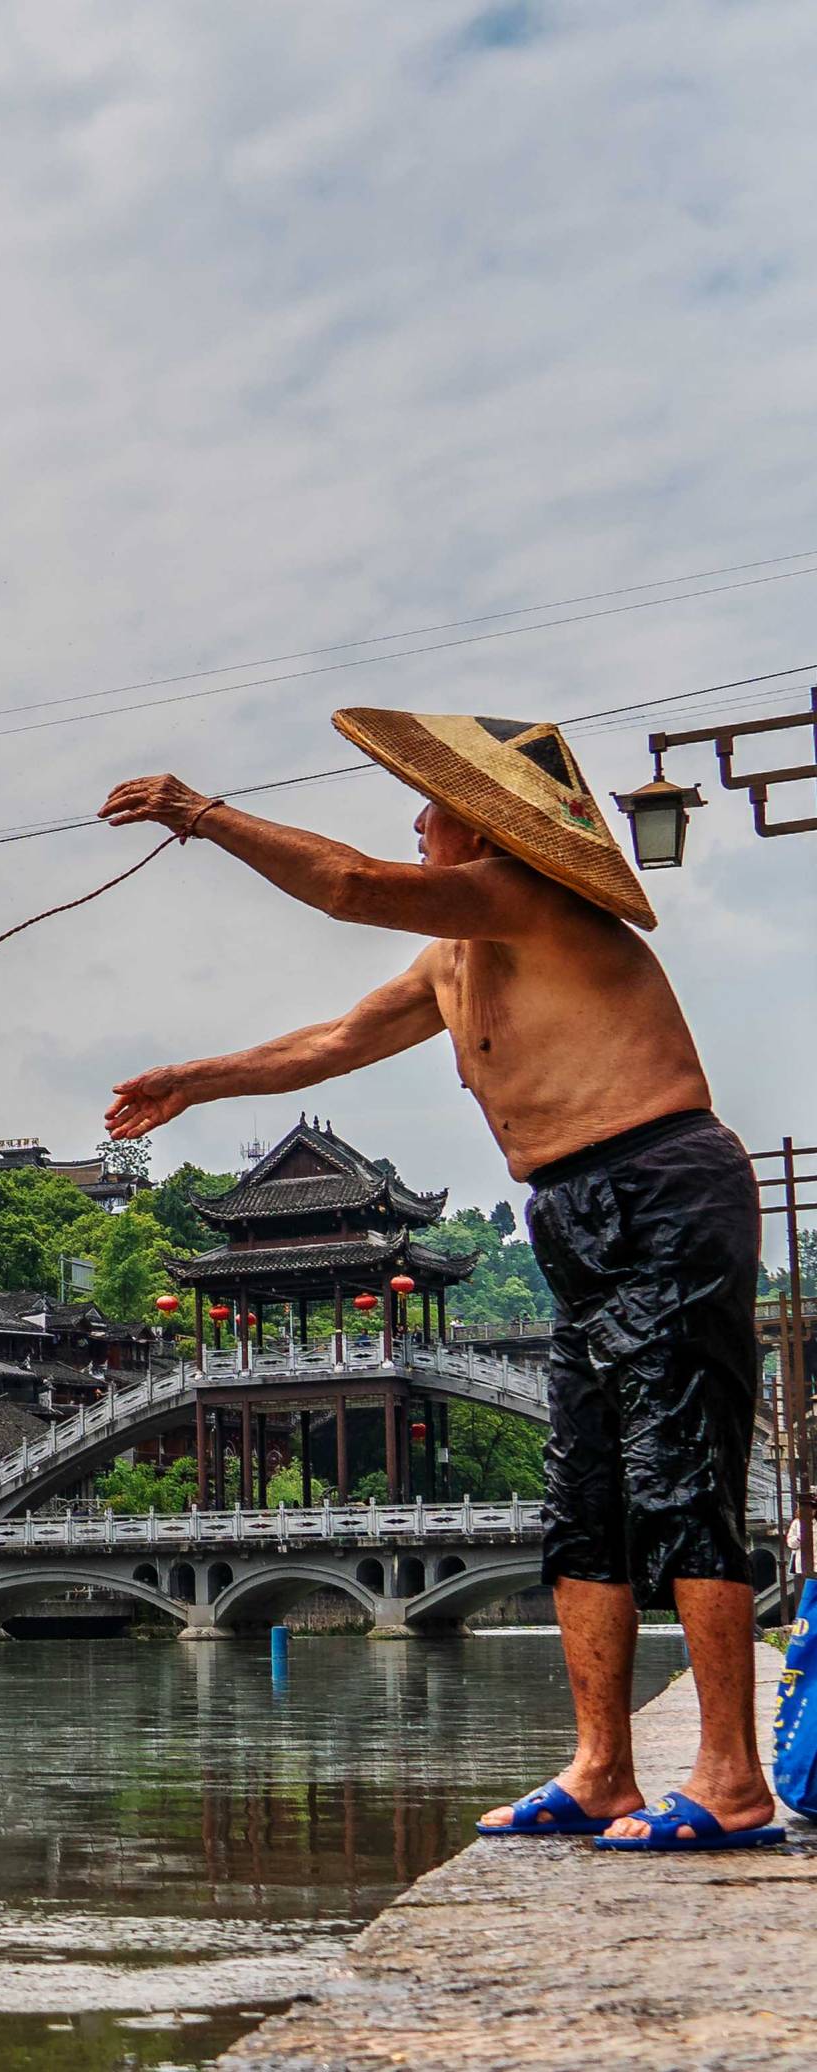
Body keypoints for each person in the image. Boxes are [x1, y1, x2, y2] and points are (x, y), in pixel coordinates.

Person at [101, 708, 781, 1853]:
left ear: (478, 829)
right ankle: (599, 1766)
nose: (414, 823)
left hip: (659, 1182)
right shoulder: (451, 956)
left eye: (429, 809)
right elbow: (330, 1041)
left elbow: (351, 886)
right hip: (568, 1210)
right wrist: (193, 1078)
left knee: (676, 1469)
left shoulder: (522, 896)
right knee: (585, 1498)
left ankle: (727, 1778)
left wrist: (199, 813)